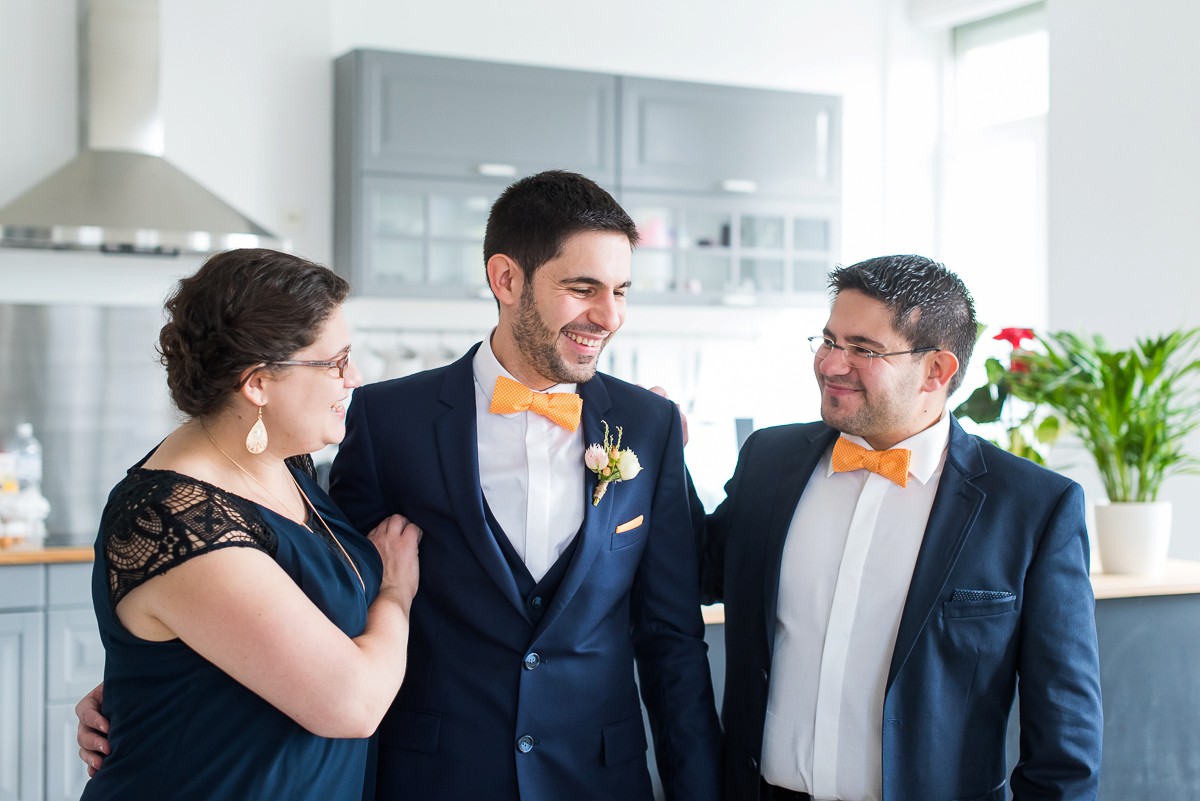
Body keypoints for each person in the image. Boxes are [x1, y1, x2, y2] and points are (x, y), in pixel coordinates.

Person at [328, 170, 720, 800]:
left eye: (621, 290)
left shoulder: (649, 426)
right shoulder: (386, 420)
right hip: (433, 777)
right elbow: (329, 606)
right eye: (583, 288)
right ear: (506, 280)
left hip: (600, 780)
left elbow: (672, 637)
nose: (609, 316)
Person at [696, 255, 1103, 801]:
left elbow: (1066, 740)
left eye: (863, 350)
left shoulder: (1033, 507)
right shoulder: (768, 461)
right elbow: (699, 573)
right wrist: (652, 451)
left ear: (937, 370)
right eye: (828, 340)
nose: (830, 364)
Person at [75, 248, 422, 801]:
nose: (353, 377)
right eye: (335, 361)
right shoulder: (172, 518)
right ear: (258, 383)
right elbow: (352, 705)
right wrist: (397, 592)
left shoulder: (286, 461)